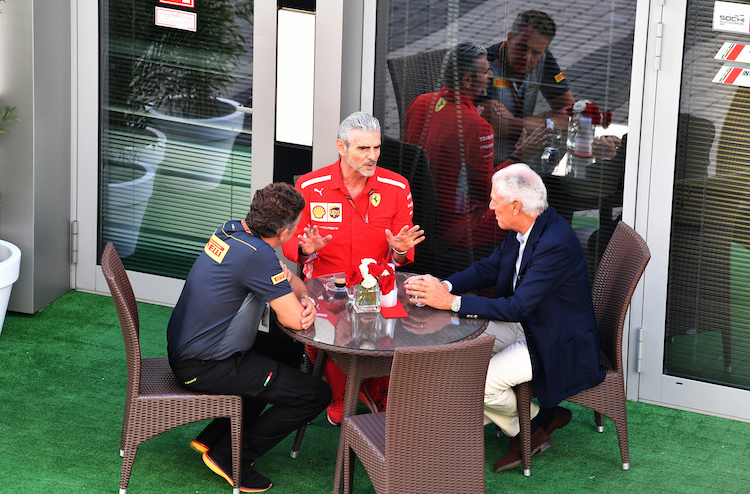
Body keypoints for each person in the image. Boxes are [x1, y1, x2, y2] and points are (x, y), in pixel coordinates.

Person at [404, 163, 605, 473]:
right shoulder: (528, 227)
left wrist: (451, 302)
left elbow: (517, 307)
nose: (490, 205)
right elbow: (489, 267)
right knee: (458, 355)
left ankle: (532, 425)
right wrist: (445, 286)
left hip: (553, 341)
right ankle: (536, 420)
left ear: (515, 205)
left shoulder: (555, 244)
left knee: (478, 383)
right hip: (528, 326)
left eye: (495, 199)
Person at [167, 183, 333, 492]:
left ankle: (217, 434)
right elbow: (294, 318)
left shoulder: (231, 231)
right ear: (283, 234)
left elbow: (288, 281)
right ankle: (229, 456)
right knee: (316, 394)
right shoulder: (258, 257)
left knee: (286, 350)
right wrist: (305, 304)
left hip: (191, 348)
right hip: (205, 365)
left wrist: (300, 295)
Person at [282, 111, 424, 425]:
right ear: (341, 147)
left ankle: (376, 389)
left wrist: (400, 251)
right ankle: (341, 392)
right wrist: (305, 251)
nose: (372, 156)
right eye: (363, 149)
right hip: (324, 287)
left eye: (376, 148)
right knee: (326, 331)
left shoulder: (397, 187)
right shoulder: (310, 185)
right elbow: (292, 244)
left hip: (379, 286)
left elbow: (403, 248)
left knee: (401, 328)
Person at [402, 41, 524, 277]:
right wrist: (518, 156)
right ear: (467, 81)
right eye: (486, 71)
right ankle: (497, 293)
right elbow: (485, 194)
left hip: (414, 217)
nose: (491, 75)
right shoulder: (479, 127)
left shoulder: (419, 103)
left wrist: (469, 118)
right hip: (453, 228)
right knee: (527, 215)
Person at [478, 10, 575, 164]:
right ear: (509, 38)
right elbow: (487, 124)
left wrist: (513, 124)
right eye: (522, 47)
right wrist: (545, 119)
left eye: (536, 52)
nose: (527, 57)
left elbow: (571, 114)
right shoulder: (485, 64)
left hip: (523, 150)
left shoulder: (544, 59)